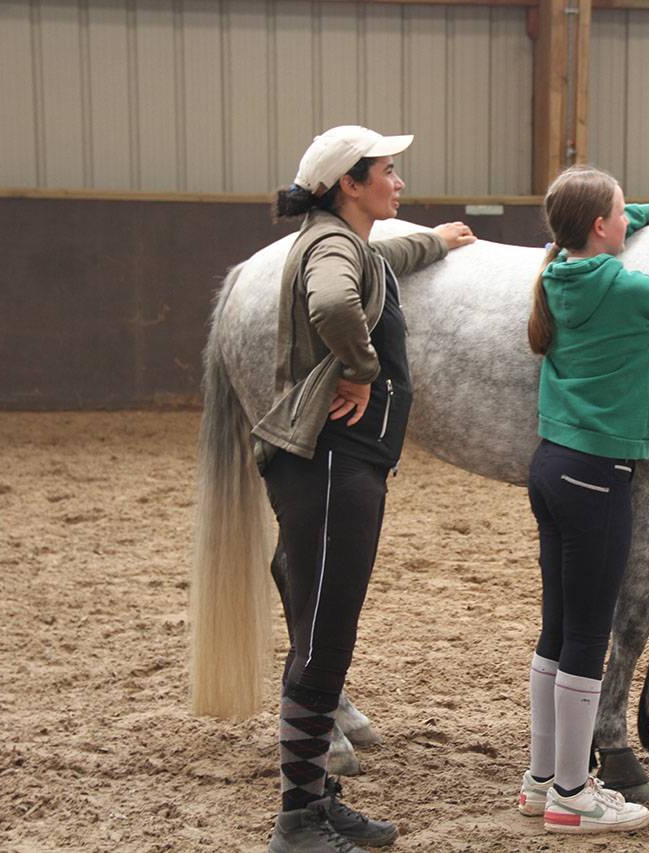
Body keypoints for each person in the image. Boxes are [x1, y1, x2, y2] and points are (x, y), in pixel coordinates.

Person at [254, 125, 475, 853]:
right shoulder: (332, 249)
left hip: (342, 462)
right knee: (323, 641)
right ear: (349, 184)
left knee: (327, 634)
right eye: (387, 170)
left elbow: (383, 260)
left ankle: (317, 801)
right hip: (329, 461)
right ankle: (297, 821)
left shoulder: (346, 241)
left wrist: (437, 241)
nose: (398, 181)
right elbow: (334, 304)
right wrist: (360, 367)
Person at [518, 165, 649, 834]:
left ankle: (541, 779)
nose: (627, 215)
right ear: (602, 226)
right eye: (621, 209)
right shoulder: (623, 288)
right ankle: (573, 794)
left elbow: (603, 218)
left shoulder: (558, 270)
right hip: (595, 475)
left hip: (552, 466)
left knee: (556, 630)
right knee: (587, 637)